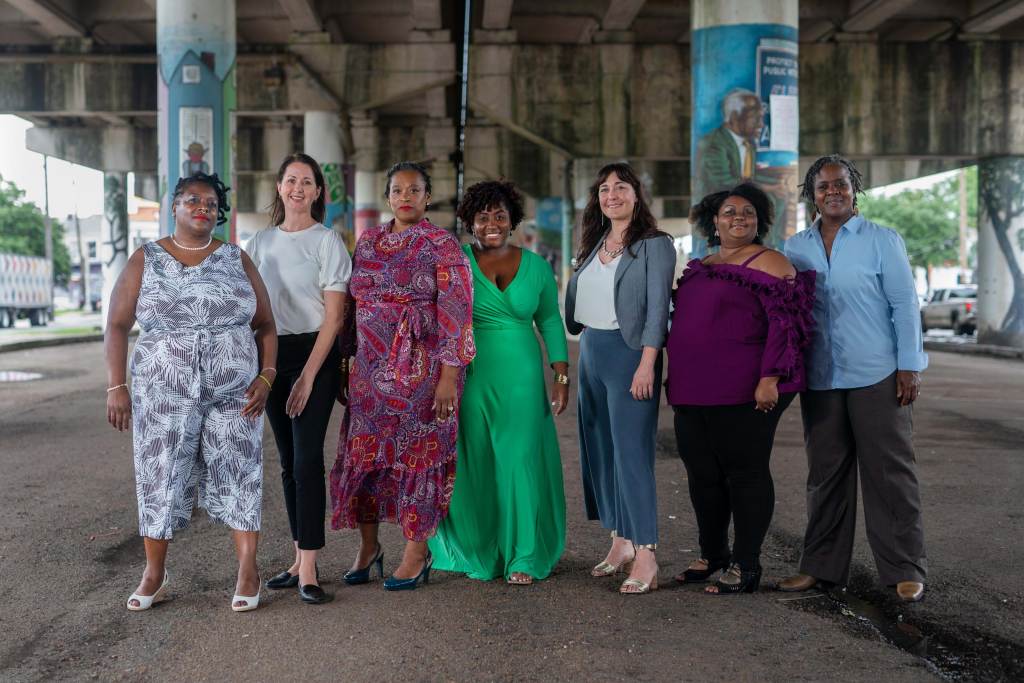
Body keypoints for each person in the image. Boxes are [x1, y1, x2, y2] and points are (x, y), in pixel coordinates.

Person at [105, 172, 277, 612]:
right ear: (175, 206)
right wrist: (116, 385)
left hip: (234, 393)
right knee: (159, 476)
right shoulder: (146, 259)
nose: (203, 207)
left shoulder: (236, 259)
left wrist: (266, 376)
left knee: (240, 472)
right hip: (163, 394)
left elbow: (266, 325)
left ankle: (247, 569)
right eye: (192, 200)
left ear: (219, 214)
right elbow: (118, 326)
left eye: (212, 203)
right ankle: (154, 574)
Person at [780, 154, 929, 603]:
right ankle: (820, 567)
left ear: (854, 188)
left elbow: (904, 305)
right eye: (823, 186)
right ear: (811, 194)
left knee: (890, 474)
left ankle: (904, 568)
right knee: (825, 477)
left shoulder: (882, 240)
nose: (833, 192)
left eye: (841, 184)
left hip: (876, 373)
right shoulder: (795, 247)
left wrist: (909, 365)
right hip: (821, 376)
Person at [329, 161, 475, 591]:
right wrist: (345, 361)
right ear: (388, 196)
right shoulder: (370, 242)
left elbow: (457, 313)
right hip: (369, 372)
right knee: (366, 457)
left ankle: (416, 551)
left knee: (419, 457)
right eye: (397, 190)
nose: (405, 196)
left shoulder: (442, 244)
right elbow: (351, 310)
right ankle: (369, 548)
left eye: (415, 190)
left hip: (424, 373)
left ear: (428, 197)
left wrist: (449, 376)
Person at [665, 183, 814, 594]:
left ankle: (746, 565)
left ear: (759, 221)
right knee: (702, 475)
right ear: (714, 220)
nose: (738, 218)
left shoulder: (772, 262)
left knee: (745, 474)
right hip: (693, 389)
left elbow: (787, 326)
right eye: (729, 212)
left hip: (747, 389)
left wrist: (770, 378)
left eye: (747, 212)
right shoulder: (702, 263)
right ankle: (713, 555)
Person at [429, 180, 569, 586]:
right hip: (469, 375)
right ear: (470, 222)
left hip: (523, 377)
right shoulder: (457, 264)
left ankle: (524, 553)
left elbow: (549, 320)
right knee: (476, 462)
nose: (492, 223)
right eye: (483, 216)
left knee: (520, 461)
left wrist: (560, 374)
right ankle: (483, 550)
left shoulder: (538, 267)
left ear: (513, 221)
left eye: (500, 216)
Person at [564, 162, 676, 595]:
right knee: (600, 451)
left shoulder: (654, 245)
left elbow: (656, 311)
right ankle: (620, 540)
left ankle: (647, 551)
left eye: (621, 187)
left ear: (636, 194)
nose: (612, 195)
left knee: (631, 454)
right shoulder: (597, 244)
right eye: (605, 189)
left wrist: (648, 363)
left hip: (631, 355)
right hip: (591, 351)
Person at [247, 153, 352, 605]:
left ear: (317, 192)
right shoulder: (258, 242)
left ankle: (310, 566)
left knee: (309, 459)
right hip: (271, 353)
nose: (298, 189)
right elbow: (246, 310)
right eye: (291, 180)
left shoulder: (328, 241)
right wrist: (260, 369)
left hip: (316, 353)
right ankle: (297, 556)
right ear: (278, 186)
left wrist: (309, 376)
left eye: (307, 182)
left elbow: (334, 319)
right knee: (288, 461)